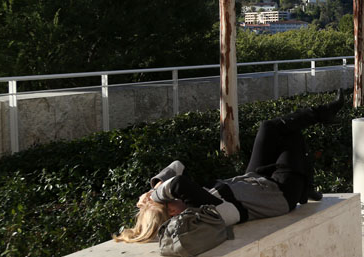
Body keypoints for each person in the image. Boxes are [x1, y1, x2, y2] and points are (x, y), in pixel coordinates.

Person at [114, 95, 344, 243]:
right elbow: (178, 183)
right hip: (281, 193)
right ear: (173, 212)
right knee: (290, 135)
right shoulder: (204, 215)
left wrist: (152, 188)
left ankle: (309, 181)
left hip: (255, 179)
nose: (170, 196)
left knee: (268, 128)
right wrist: (155, 195)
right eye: (167, 200)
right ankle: (322, 118)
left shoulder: (189, 201)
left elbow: (177, 167)